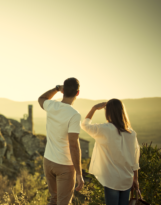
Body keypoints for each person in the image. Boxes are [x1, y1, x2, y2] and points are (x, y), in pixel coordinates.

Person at [81, 99, 140, 205]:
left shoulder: (104, 129)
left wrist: (94, 108)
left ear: (108, 112)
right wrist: (135, 179)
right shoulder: (132, 133)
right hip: (127, 178)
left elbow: (84, 125)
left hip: (111, 179)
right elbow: (135, 159)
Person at [38, 77, 84, 205]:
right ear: (77, 93)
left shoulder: (52, 105)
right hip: (65, 165)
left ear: (63, 91)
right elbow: (73, 145)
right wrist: (79, 174)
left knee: (54, 199)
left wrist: (56, 89)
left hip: (48, 161)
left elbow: (41, 99)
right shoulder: (74, 114)